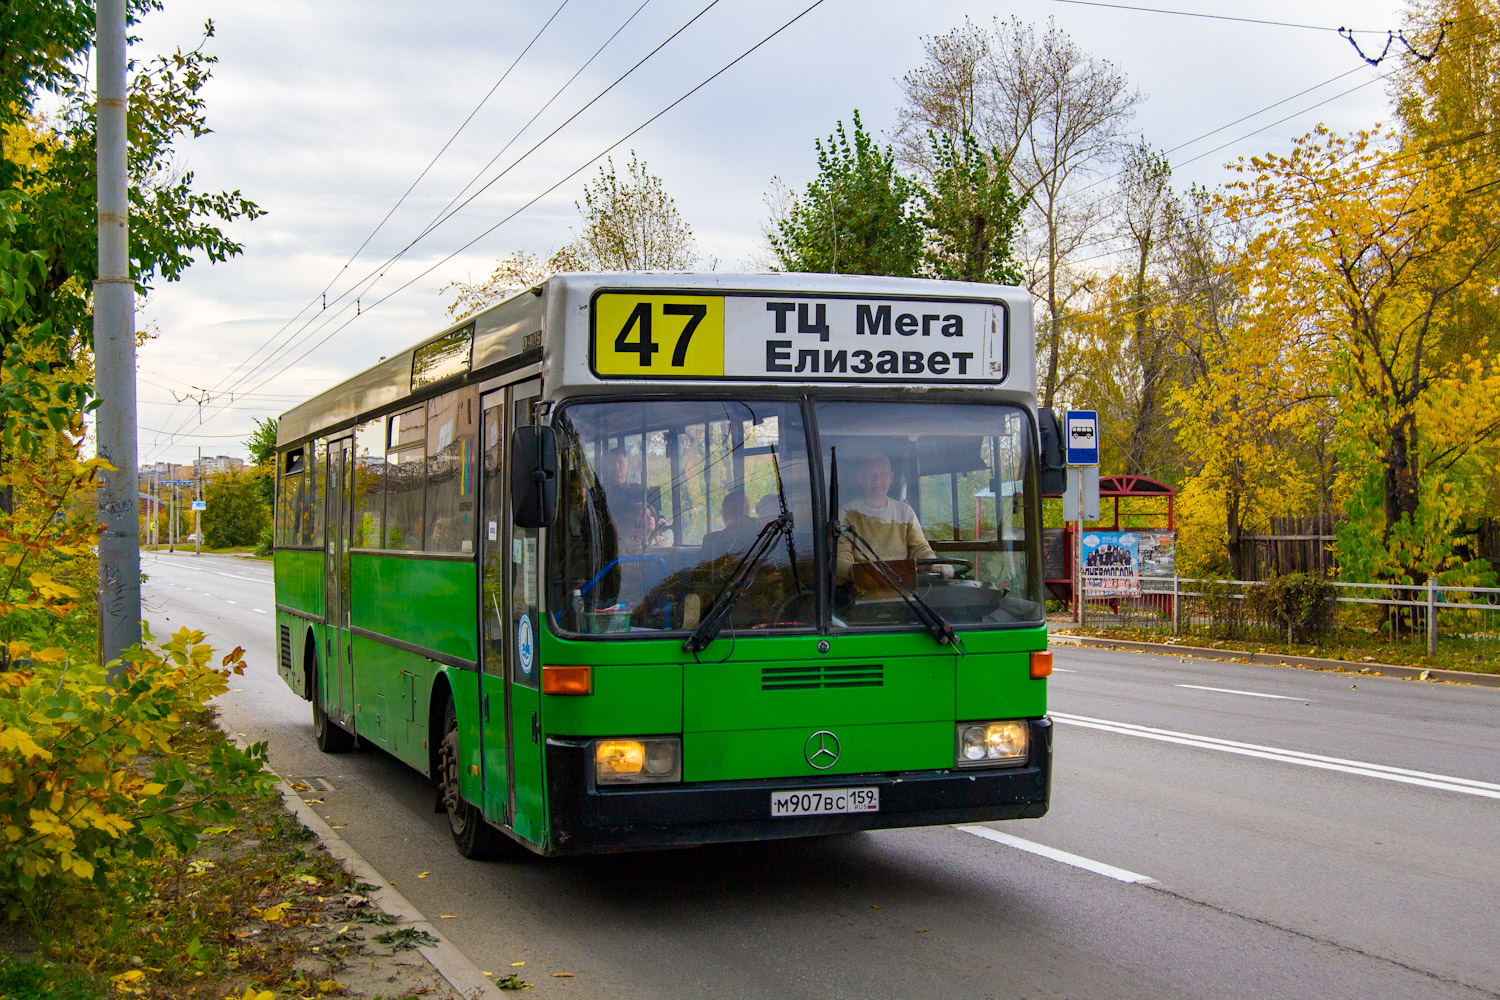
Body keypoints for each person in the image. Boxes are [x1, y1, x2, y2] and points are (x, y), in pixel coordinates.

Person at [835, 451, 951, 583]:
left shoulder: (904, 512)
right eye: (871, 475)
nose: (877, 481)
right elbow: (841, 558)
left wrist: (933, 564)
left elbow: (920, 548)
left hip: (904, 588)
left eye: (883, 474)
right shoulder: (845, 514)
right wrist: (858, 574)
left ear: (891, 478)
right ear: (860, 479)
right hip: (860, 589)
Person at [701, 489, 759, 562]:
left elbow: (703, 570)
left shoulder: (710, 541)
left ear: (725, 514)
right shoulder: (764, 533)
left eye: (721, 512)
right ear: (747, 511)